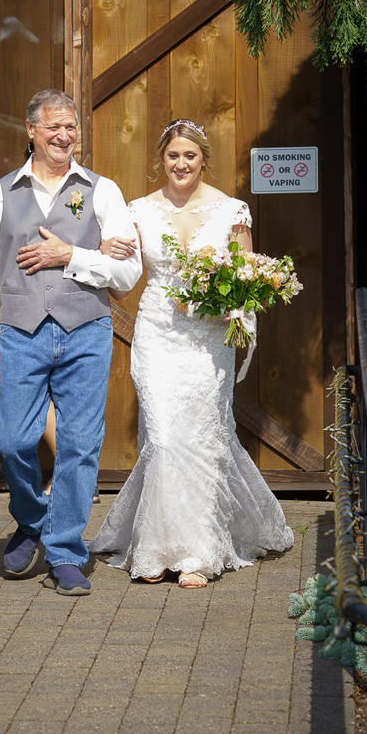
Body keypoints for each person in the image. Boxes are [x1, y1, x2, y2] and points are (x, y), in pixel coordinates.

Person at [90, 119, 294, 587]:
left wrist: (235, 310)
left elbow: (249, 277)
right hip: (158, 331)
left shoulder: (232, 210)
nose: (180, 164)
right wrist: (100, 252)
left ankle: (199, 553)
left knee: (201, 437)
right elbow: (122, 282)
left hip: (207, 340)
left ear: (203, 159)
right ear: (160, 160)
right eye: (172, 156)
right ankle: (157, 547)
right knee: (162, 438)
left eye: (190, 156)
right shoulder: (138, 210)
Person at [0, 88, 140, 595]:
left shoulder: (102, 191)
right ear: (31, 130)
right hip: (21, 333)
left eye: (72, 126)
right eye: (54, 127)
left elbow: (128, 271)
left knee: (80, 446)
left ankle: (65, 550)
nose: (65, 135)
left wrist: (73, 256)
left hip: (87, 330)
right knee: (13, 439)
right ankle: (32, 519)